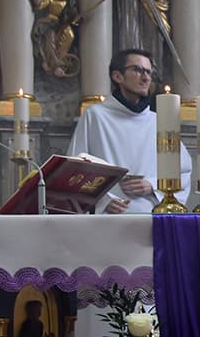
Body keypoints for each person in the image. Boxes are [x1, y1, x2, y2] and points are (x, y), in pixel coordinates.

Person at [67, 48, 192, 214]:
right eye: (138, 70)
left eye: (149, 72)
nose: (146, 78)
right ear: (117, 76)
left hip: (152, 215)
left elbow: (183, 171)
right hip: (110, 217)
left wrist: (153, 185)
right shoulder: (96, 116)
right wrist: (102, 201)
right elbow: (75, 168)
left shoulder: (159, 122)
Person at [24, 0, 80, 77]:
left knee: (70, 35)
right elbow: (40, 5)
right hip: (50, 23)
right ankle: (55, 64)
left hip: (63, 24)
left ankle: (61, 59)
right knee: (50, 38)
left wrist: (75, 17)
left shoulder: (70, 0)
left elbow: (74, 15)